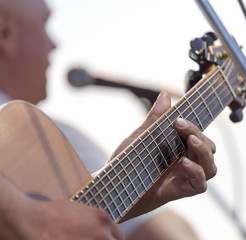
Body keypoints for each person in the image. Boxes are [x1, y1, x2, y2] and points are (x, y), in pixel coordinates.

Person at [0, 0, 217, 239]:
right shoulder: (32, 137)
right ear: (4, 31)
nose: (53, 44)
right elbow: (164, 235)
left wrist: (130, 188)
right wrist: (31, 220)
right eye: (44, 24)